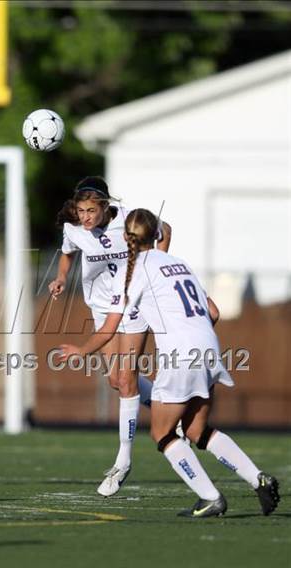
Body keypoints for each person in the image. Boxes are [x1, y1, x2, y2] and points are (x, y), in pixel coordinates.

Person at [59, 208, 280, 517]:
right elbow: (213, 312)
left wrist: (82, 351)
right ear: (157, 234)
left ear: (125, 237)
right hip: (209, 349)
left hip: (180, 356)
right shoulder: (179, 263)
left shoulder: (130, 273)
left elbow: (109, 328)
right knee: (196, 431)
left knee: (163, 435)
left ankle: (210, 497)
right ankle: (258, 478)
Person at [49, 177, 172, 496]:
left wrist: (155, 267)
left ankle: (123, 462)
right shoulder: (74, 228)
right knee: (116, 381)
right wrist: (61, 277)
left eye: (92, 210)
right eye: (81, 210)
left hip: (132, 304)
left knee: (127, 380)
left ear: (106, 207)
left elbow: (165, 230)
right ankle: (170, 406)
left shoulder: (129, 218)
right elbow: (67, 253)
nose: (86, 217)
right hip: (102, 309)